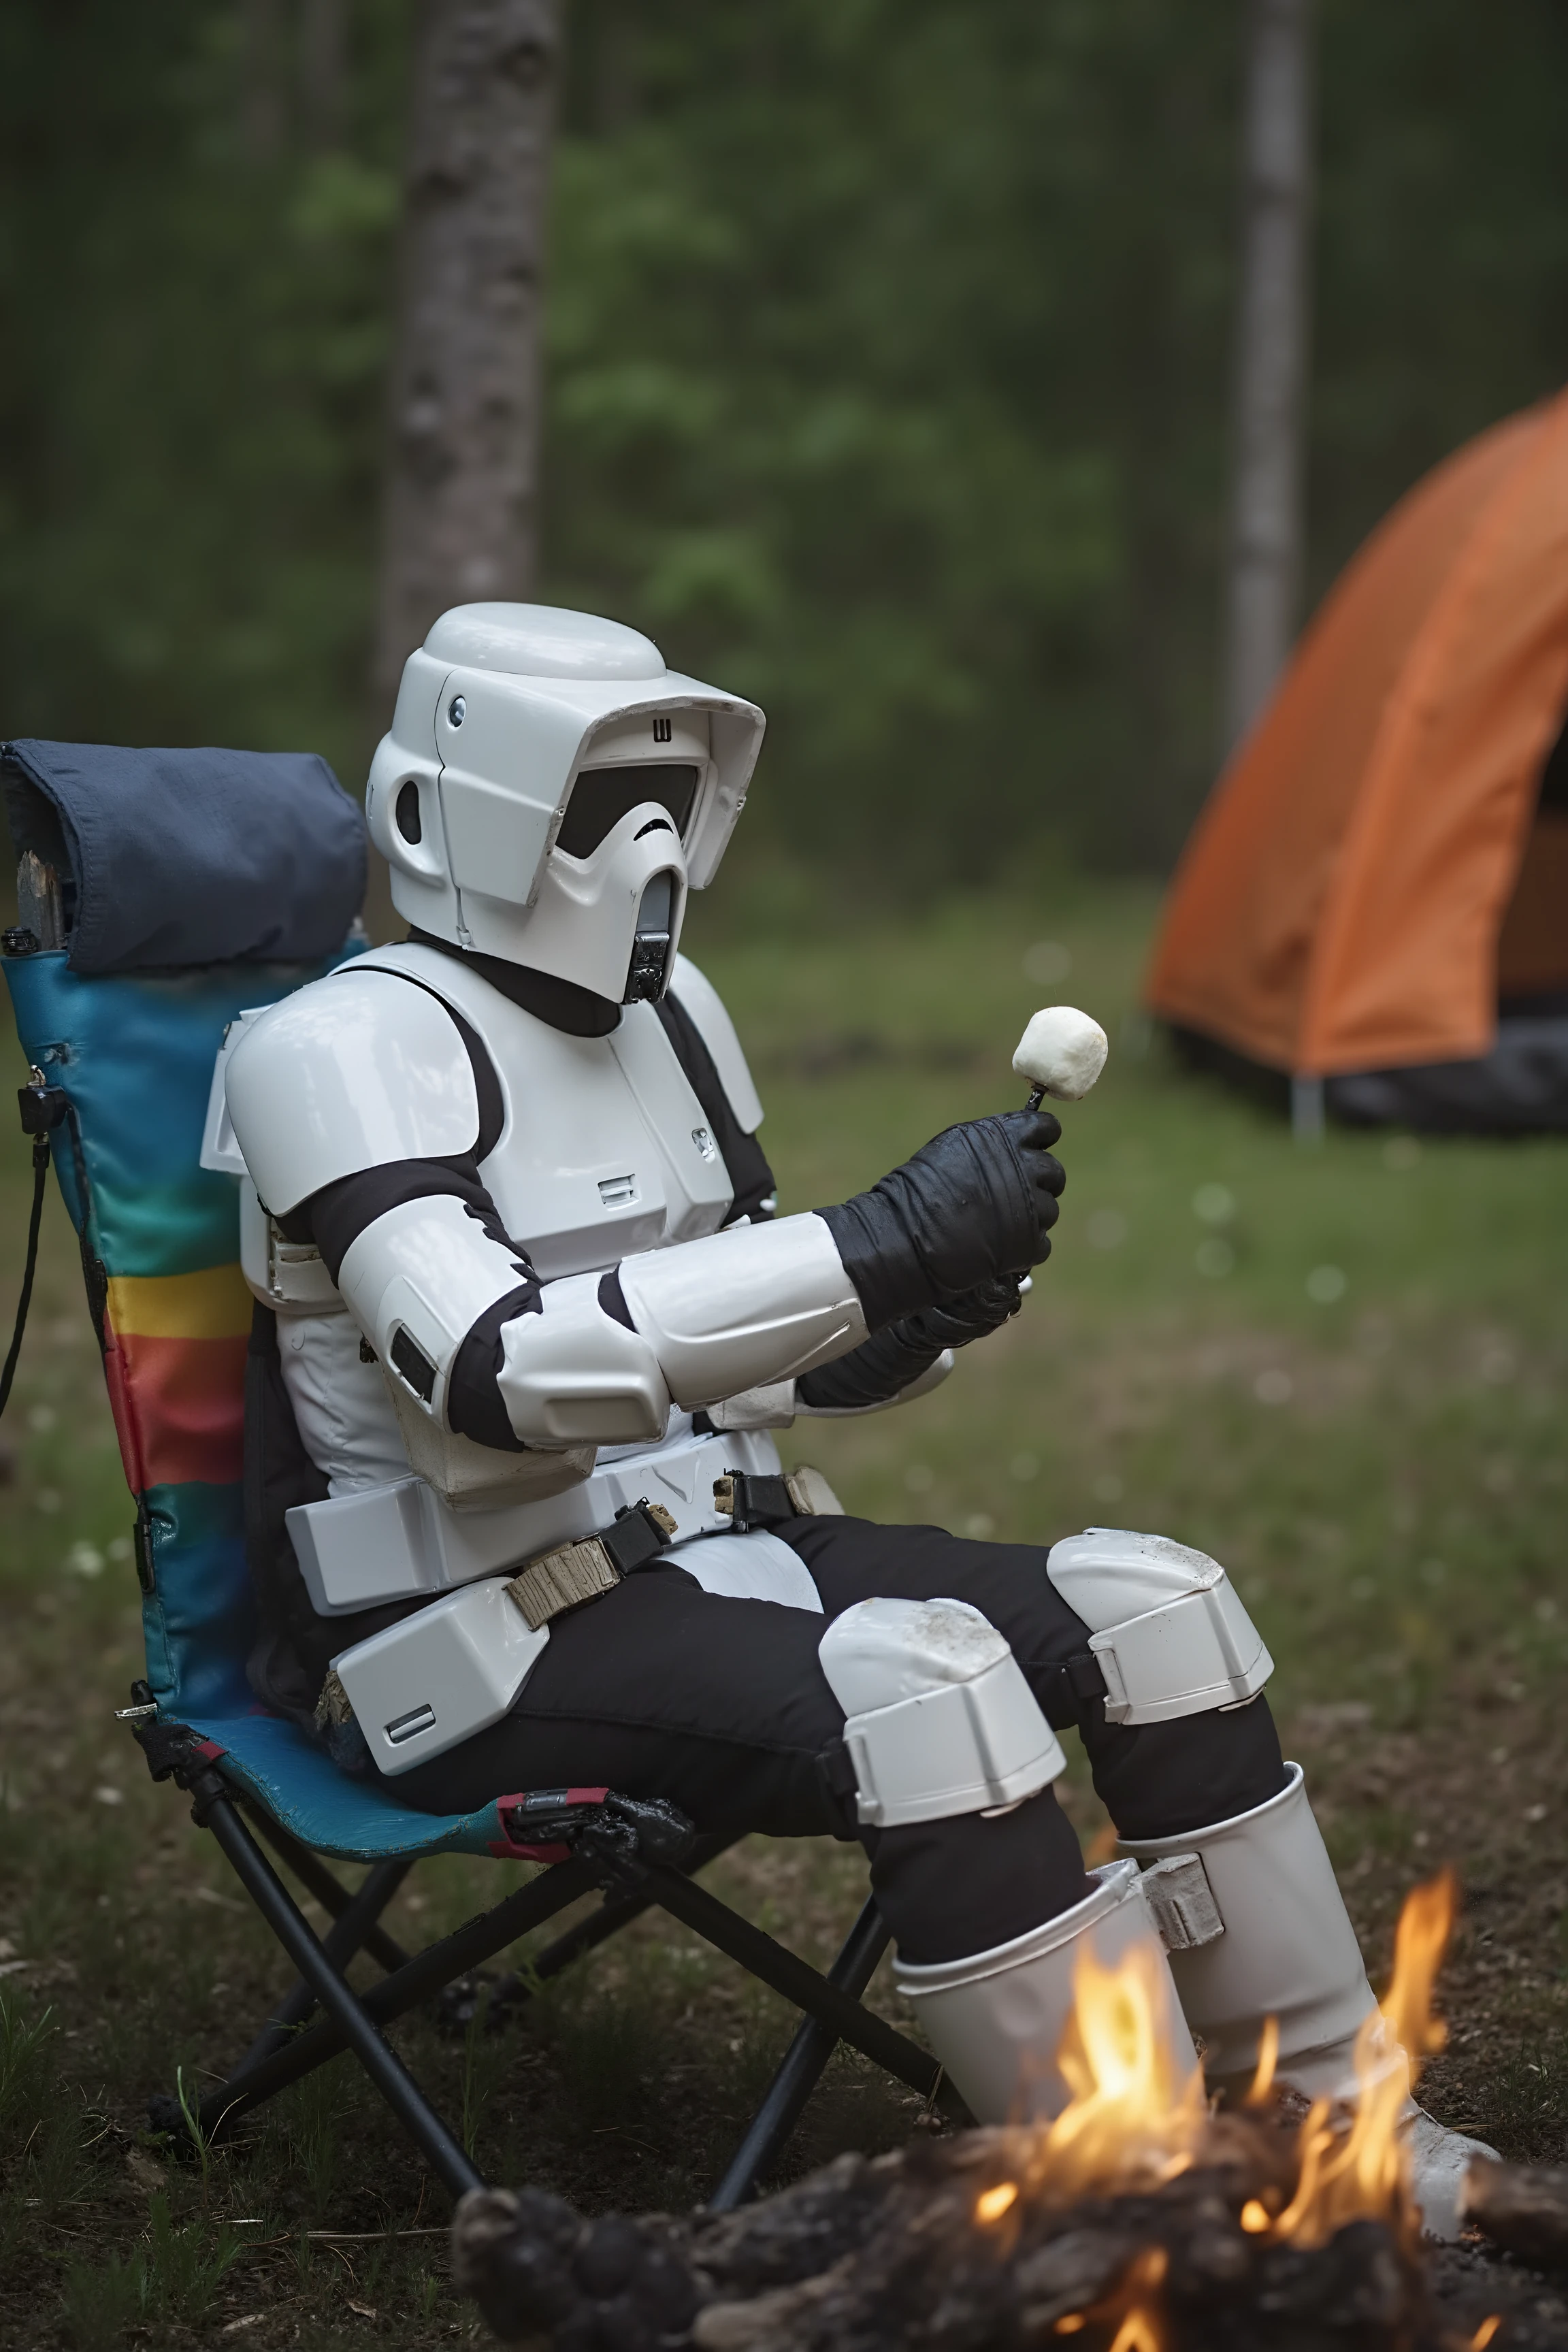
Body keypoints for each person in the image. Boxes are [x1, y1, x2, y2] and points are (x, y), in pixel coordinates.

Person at [221, 602, 1491, 2232]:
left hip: (726, 1555)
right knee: (930, 1694)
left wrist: (882, 1328)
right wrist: (864, 1250)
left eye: (678, 804)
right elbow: (498, 1376)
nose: (658, 851)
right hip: (473, 1647)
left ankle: (1344, 2145)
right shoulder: (335, 1050)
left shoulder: (675, 1021)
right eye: (612, 806)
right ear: (452, 812)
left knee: (1157, 1610)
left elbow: (716, 1362)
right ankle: (1152, 2218)